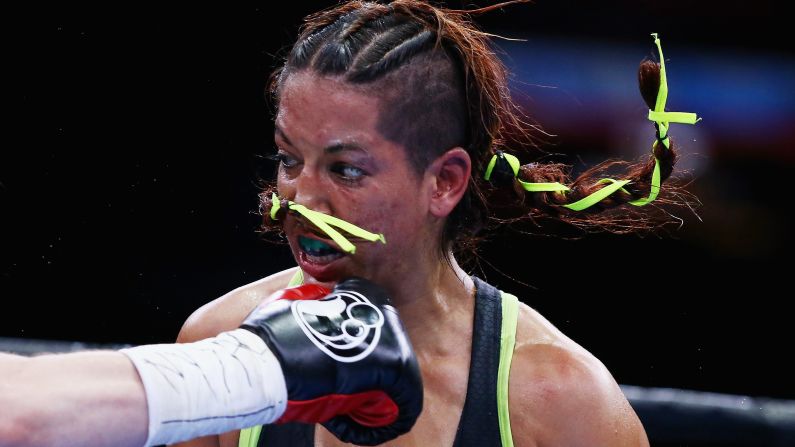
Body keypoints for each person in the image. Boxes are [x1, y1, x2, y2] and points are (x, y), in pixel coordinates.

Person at [176, 1, 699, 446]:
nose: (301, 197)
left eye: (346, 169)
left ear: (444, 182)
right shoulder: (216, 344)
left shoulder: (561, 401)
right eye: (289, 159)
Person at [0, 278, 422, 447]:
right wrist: (255, 368)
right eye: (288, 159)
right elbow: (19, 414)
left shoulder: (487, 349)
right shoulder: (216, 324)